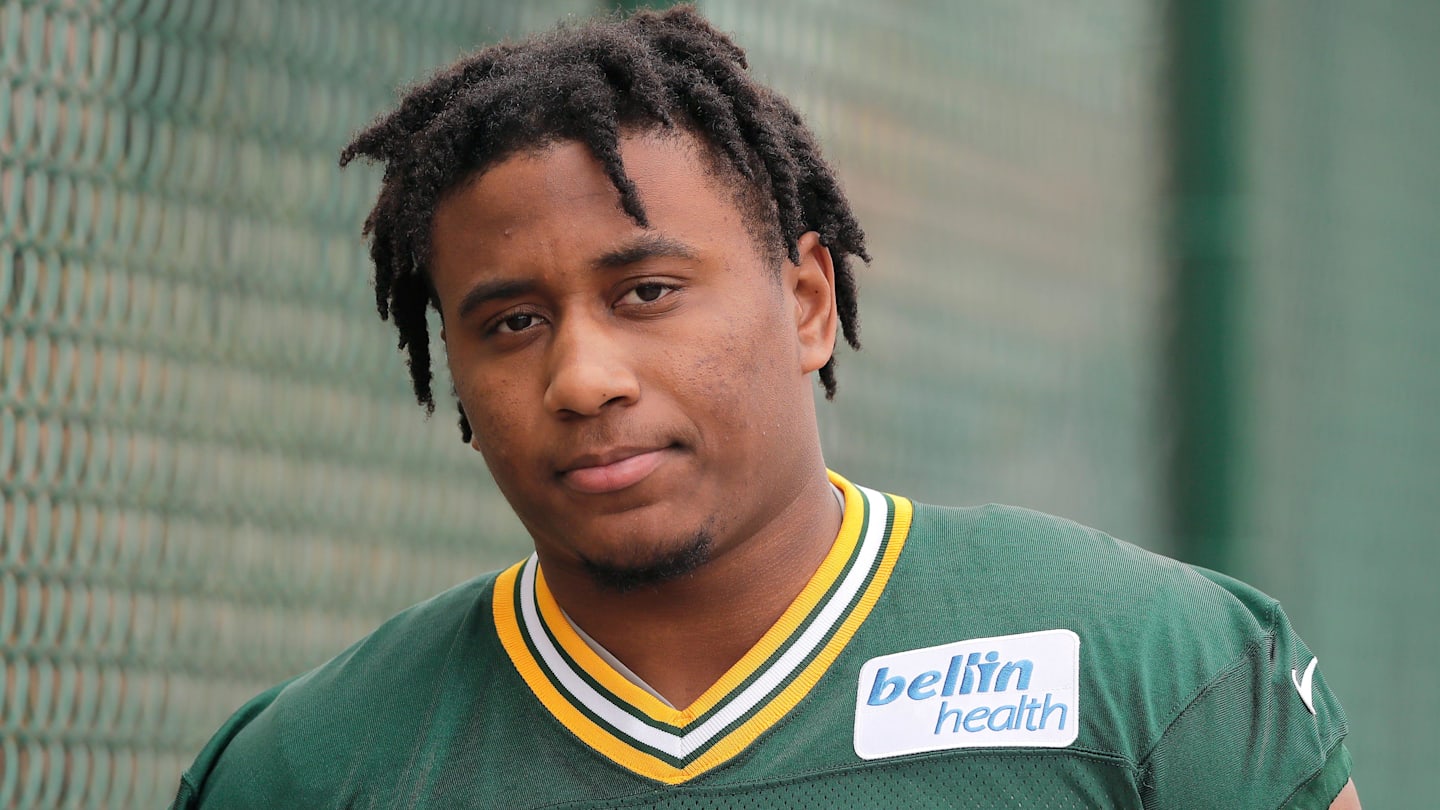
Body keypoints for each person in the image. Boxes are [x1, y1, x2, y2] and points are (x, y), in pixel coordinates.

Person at [172, 6, 1358, 808]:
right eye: (511, 323)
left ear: (806, 303)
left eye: (645, 291)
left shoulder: (1145, 669)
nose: (583, 378)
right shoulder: (316, 768)